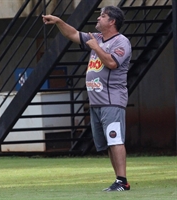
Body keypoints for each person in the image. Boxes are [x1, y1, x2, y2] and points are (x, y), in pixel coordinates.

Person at [42, 6, 132, 192]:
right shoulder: (96, 38)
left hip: (111, 100)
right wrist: (58, 21)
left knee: (115, 139)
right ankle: (118, 180)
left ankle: (122, 181)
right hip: (97, 102)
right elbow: (73, 34)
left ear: (112, 22)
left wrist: (96, 48)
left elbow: (112, 63)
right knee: (108, 143)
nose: (98, 18)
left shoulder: (121, 42)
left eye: (103, 16)